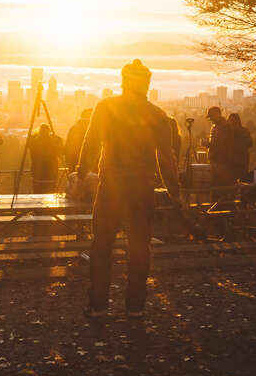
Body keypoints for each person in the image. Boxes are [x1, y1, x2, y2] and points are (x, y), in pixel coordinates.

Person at [71, 59, 181, 317]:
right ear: (146, 84)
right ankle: (135, 305)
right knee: (140, 246)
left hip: (110, 185)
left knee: (101, 245)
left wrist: (80, 172)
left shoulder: (106, 107)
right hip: (142, 187)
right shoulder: (157, 115)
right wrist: (176, 194)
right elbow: (167, 159)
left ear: (123, 81)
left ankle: (98, 304)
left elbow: (90, 143)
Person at [204, 106, 236, 189]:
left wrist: (208, 144)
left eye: (211, 117)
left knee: (220, 187)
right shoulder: (217, 126)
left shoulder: (224, 127)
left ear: (217, 114)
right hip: (216, 162)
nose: (210, 119)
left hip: (221, 163)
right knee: (216, 187)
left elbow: (220, 145)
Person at [27, 124, 64, 193]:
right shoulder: (53, 141)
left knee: (38, 191)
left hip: (38, 171)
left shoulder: (35, 141)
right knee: (50, 190)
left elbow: (30, 147)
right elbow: (60, 151)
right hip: (50, 171)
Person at [64, 108, 92, 173]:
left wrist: (69, 164)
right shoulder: (94, 130)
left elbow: (68, 149)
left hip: (74, 166)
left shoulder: (74, 129)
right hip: (91, 168)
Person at [228, 113, 253, 181]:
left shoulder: (229, 132)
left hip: (233, 161)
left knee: (233, 181)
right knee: (243, 179)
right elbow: (250, 143)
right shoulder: (245, 130)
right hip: (243, 160)